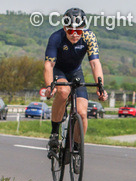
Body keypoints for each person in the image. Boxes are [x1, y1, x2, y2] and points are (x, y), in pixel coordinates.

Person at [40, 8, 109, 156]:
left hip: (76, 72)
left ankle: (77, 146)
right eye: (71, 31)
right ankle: (54, 134)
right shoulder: (56, 38)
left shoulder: (89, 37)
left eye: (79, 31)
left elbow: (95, 63)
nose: (75, 34)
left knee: (82, 113)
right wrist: (49, 86)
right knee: (63, 92)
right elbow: (49, 65)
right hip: (59, 70)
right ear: (64, 28)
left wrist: (100, 86)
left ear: (83, 28)